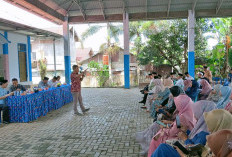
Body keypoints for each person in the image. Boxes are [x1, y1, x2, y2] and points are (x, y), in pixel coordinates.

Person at [151, 109, 232, 157]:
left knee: (162, 147)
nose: (208, 126)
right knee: (163, 147)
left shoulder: (218, 142)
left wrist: (183, 153)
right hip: (189, 151)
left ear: (218, 124)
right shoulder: (217, 136)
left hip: (188, 153)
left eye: (210, 123)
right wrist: (187, 132)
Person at [135, 86, 183, 155]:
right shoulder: (175, 100)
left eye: (171, 93)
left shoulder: (178, 104)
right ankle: (146, 140)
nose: (170, 94)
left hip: (171, 128)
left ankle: (149, 147)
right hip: (170, 123)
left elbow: (173, 121)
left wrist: (162, 113)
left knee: (156, 129)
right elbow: (172, 115)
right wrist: (162, 109)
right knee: (155, 123)